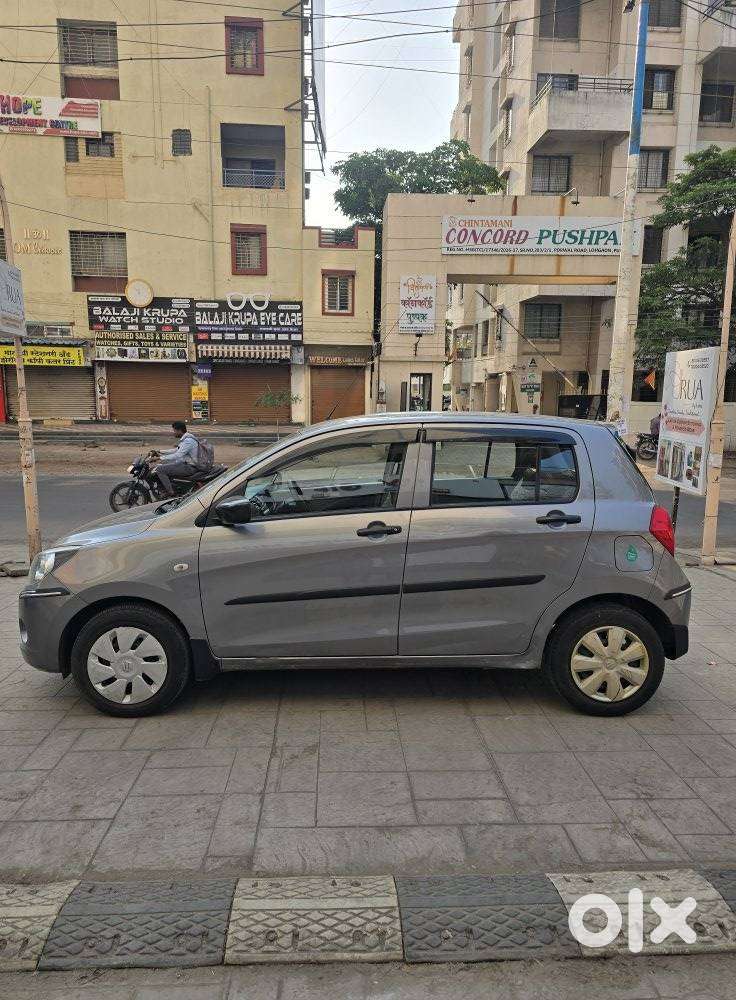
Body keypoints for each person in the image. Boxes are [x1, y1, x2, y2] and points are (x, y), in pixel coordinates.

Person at [154, 421, 206, 497]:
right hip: (185, 464)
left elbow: (178, 455)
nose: (174, 433)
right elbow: (176, 450)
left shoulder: (188, 441)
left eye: (174, 431)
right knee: (165, 465)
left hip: (190, 467)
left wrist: (159, 458)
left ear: (179, 430)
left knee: (160, 469)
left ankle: (170, 492)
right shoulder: (186, 439)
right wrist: (159, 452)